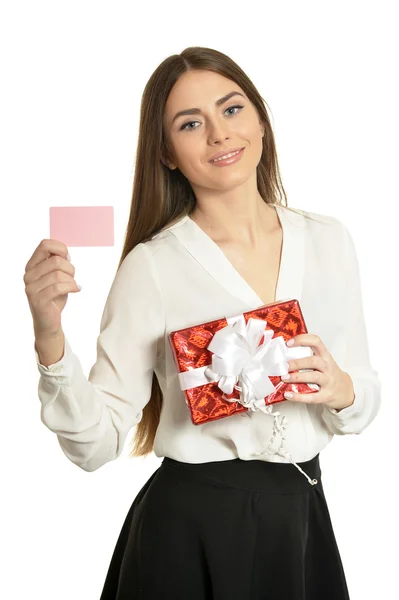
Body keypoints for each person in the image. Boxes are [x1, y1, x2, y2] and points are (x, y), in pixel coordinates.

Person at [24, 47, 381, 599]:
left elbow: (361, 403)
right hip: (189, 533)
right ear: (166, 153)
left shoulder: (329, 240)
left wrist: (341, 389)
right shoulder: (153, 267)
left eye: (232, 110)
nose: (219, 134)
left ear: (261, 121)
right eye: (191, 123)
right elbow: (96, 445)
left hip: (303, 519)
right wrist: (50, 337)